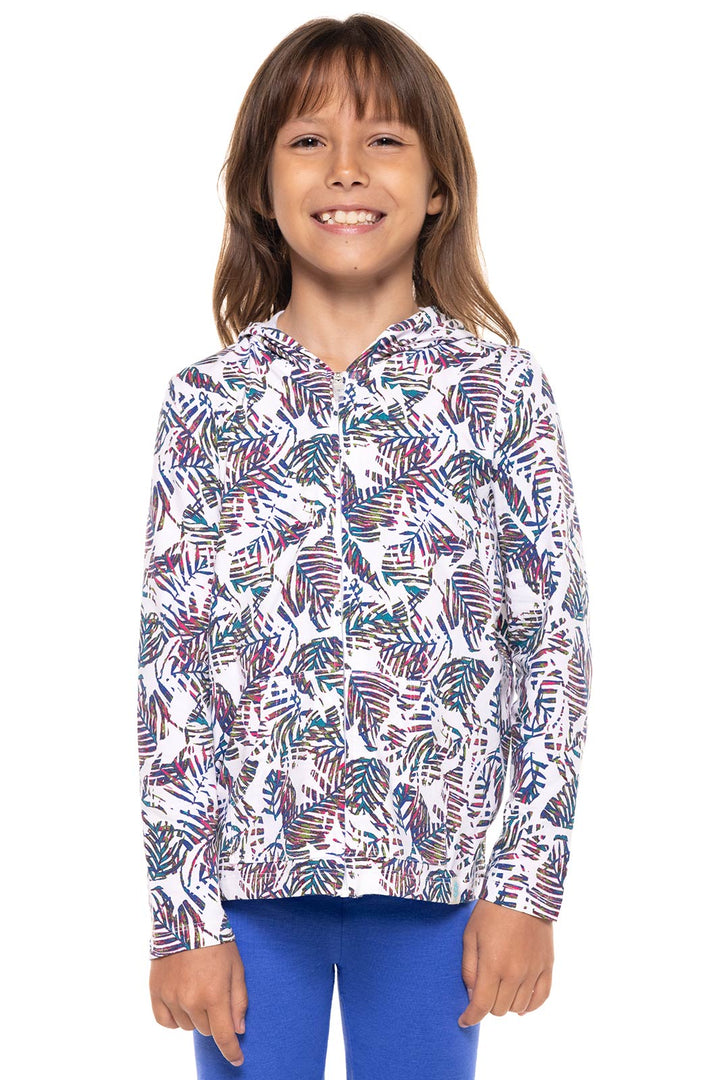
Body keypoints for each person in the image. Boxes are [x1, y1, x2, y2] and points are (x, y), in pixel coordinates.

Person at [135, 13, 593, 1080]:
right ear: (260, 186)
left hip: (439, 892)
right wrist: (179, 914)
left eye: (385, 138)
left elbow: (552, 648)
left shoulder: (499, 394)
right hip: (246, 895)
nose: (346, 168)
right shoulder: (207, 405)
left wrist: (527, 887)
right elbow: (174, 668)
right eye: (308, 140)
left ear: (438, 187)